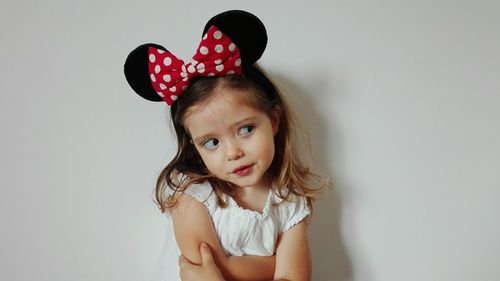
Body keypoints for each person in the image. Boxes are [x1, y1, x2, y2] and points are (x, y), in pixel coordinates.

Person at [124, 10, 330, 281]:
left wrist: (229, 270)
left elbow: (291, 278)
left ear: (274, 120)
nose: (233, 152)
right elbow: (202, 272)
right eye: (211, 142)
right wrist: (273, 265)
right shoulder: (192, 195)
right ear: (194, 147)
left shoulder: (289, 201)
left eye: (246, 129)